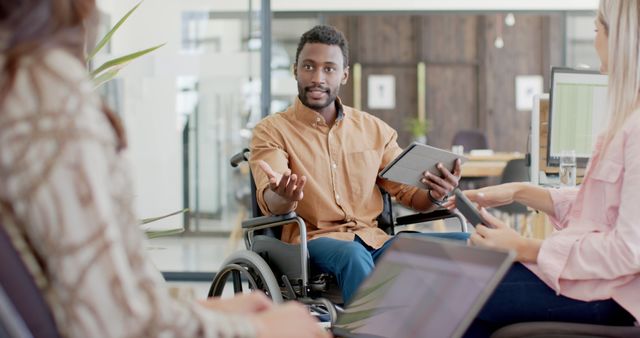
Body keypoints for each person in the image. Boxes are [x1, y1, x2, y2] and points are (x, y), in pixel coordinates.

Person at [0, 1, 328, 337]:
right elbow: (112, 323)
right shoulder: (44, 93)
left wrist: (202, 309)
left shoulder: (19, 76)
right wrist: (258, 330)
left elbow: (103, 300)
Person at [452, 1, 640, 335]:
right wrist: (520, 191)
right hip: (594, 280)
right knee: (461, 280)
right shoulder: (627, 118)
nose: (594, 39)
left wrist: (525, 247)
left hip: (613, 294)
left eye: (597, 29)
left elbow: (628, 251)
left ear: (622, 39)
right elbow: (600, 208)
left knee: (459, 293)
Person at [250, 24, 468, 304]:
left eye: (329, 68)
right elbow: (272, 198)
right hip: (313, 243)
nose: (317, 77)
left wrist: (435, 195)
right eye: (308, 67)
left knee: (467, 245)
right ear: (295, 70)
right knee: (352, 254)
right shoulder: (272, 131)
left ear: (344, 74)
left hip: (374, 240)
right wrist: (282, 195)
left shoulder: (375, 130)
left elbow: (410, 196)